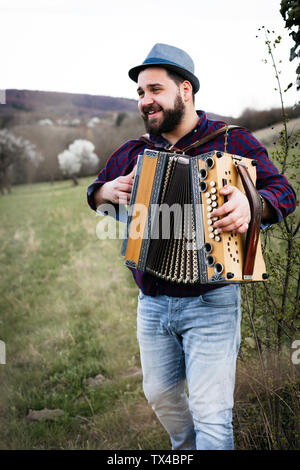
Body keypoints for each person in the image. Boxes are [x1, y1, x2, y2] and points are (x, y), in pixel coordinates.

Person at [87, 43, 296, 450]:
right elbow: (95, 192)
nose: (145, 101)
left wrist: (252, 204)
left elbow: (282, 191)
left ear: (185, 90)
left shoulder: (231, 141)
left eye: (155, 90)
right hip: (152, 301)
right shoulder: (135, 152)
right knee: (161, 396)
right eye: (140, 94)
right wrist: (103, 192)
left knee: (212, 415)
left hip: (211, 300)